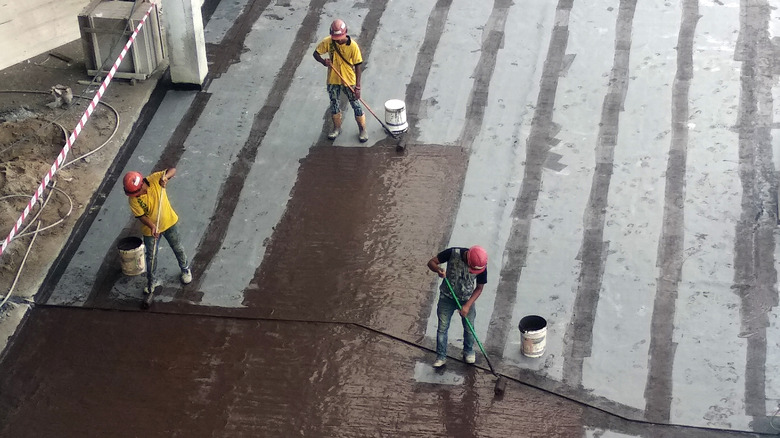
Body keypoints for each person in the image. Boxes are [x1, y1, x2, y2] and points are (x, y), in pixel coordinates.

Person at [123, 168, 192, 294]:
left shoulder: (155, 179)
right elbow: (141, 216)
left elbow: (173, 170)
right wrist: (152, 226)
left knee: (178, 247)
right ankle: (151, 281)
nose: (136, 196)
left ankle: (185, 269)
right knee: (151, 256)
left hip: (169, 223)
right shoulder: (133, 200)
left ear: (142, 183)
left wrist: (165, 178)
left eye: (137, 192)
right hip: (150, 230)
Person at [427, 245, 488, 368]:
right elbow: (431, 262)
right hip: (447, 297)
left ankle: (469, 351)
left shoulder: (481, 266)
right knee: (442, 328)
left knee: (469, 329)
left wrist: (467, 305)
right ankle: (441, 356)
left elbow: (479, 288)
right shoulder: (452, 253)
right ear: (468, 260)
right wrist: (438, 269)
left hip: (467, 299)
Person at [312, 18, 368, 143]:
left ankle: (362, 129)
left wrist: (358, 87)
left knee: (356, 105)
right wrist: (323, 62)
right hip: (333, 79)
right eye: (336, 38)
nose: (338, 40)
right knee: (334, 104)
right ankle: (337, 128)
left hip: (349, 80)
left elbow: (358, 65)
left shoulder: (353, 46)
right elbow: (316, 53)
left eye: (340, 38)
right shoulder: (328, 42)